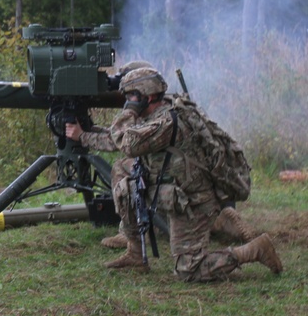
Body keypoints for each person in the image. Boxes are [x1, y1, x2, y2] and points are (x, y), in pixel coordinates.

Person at [100, 67, 282, 281]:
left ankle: (254, 250)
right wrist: (82, 135)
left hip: (194, 201)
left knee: (188, 269)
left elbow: (128, 143)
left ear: (146, 97)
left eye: (131, 96)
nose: (127, 101)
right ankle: (135, 254)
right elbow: (117, 140)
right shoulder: (156, 112)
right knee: (125, 184)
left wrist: (128, 113)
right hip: (173, 189)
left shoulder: (165, 122)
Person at [66, 60, 257, 249]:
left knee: (123, 169)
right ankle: (223, 216)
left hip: (187, 187)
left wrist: (83, 137)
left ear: (144, 91)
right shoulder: (170, 104)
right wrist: (89, 132)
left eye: (131, 92)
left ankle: (131, 234)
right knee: (133, 168)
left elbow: (125, 142)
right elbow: (121, 136)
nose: (125, 96)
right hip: (203, 182)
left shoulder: (159, 119)